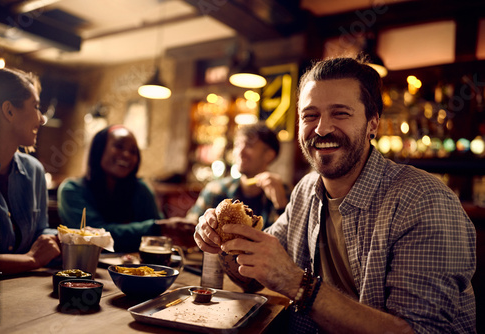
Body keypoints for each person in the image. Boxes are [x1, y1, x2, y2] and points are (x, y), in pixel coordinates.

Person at [194, 57, 476, 333]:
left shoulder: (425, 201)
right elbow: (252, 279)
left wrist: (296, 283)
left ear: (373, 123)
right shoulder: (306, 190)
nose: (322, 128)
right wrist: (223, 241)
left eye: (340, 113)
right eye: (310, 115)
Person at [58, 125, 195, 253]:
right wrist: (157, 228)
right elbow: (94, 237)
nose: (127, 155)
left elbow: (158, 238)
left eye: (133, 151)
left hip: (135, 272)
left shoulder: (141, 189)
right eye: (119, 146)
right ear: (98, 150)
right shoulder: (72, 190)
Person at [0, 66, 61, 275]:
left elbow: (39, 233)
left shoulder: (33, 170)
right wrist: (30, 259)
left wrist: (71, 238)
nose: (42, 118)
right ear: (9, 111)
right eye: (36, 107)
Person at [187, 122, 290, 229]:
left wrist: (281, 206)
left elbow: (291, 240)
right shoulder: (216, 190)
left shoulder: (285, 193)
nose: (240, 152)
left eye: (249, 146)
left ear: (269, 155)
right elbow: (190, 229)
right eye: (237, 145)